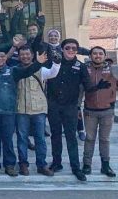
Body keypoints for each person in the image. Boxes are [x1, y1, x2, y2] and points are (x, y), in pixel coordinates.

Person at [46, 38, 111, 181]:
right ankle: (56, 163)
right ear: (62, 49)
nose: (71, 50)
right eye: (67, 48)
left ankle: (75, 167)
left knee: (71, 137)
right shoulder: (52, 62)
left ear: (77, 51)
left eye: (74, 48)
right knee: (55, 135)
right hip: (54, 106)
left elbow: (88, 86)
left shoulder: (80, 66)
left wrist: (97, 87)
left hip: (70, 107)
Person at [0, 48, 45, 176]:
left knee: (8, 140)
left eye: (2, 56)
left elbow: (27, 71)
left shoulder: (13, 71)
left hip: (9, 112)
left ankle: (10, 165)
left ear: (6, 58)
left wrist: (38, 63)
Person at [15, 46, 60, 176]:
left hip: (39, 108)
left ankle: (41, 164)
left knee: (40, 138)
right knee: (22, 138)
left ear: (32, 55)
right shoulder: (15, 70)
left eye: (27, 54)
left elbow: (53, 73)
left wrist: (57, 62)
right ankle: (23, 164)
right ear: (19, 56)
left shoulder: (41, 69)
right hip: (21, 108)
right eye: (22, 54)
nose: (25, 56)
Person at [82, 46, 118, 177]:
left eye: (100, 53)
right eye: (95, 53)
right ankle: (87, 164)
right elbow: (80, 88)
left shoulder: (113, 69)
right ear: (90, 56)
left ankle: (105, 165)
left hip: (107, 111)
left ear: (105, 55)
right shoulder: (85, 69)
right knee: (89, 138)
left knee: (105, 139)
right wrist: (77, 106)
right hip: (90, 110)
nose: (98, 56)